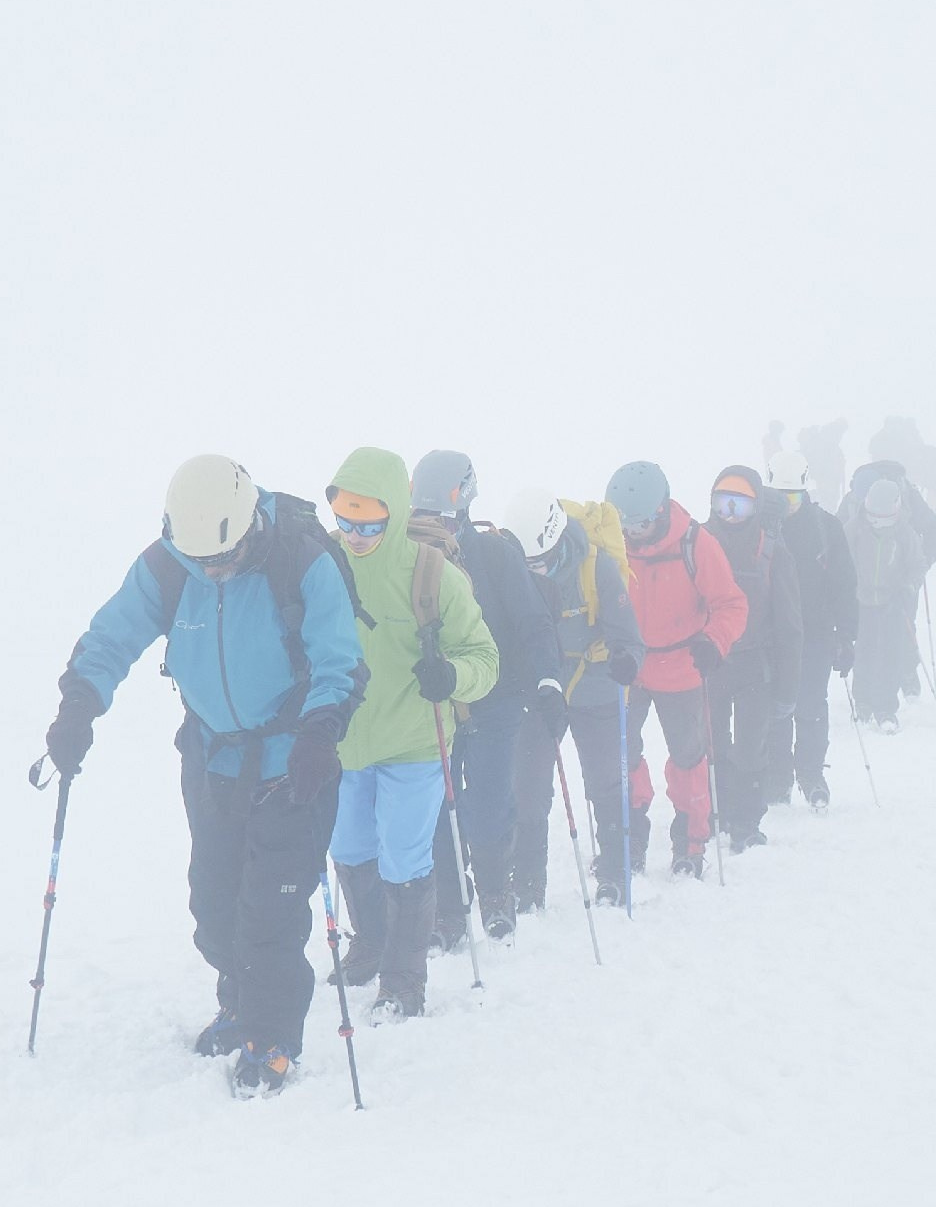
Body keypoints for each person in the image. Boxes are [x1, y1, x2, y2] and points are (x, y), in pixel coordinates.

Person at [41, 456, 365, 1096]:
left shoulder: (301, 562)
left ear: (249, 528)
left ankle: (271, 1039)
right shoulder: (170, 564)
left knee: (270, 912)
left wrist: (321, 732)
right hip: (213, 758)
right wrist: (79, 704)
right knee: (214, 904)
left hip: (293, 762)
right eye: (201, 561)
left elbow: (339, 659)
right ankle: (239, 1001)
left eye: (222, 559)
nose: (212, 571)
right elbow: (112, 636)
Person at [316, 448, 498, 1022]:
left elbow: (484, 659)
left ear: (393, 513)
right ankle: (368, 943)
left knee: (403, 855)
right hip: (344, 745)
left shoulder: (430, 573)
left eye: (367, 524)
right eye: (345, 521)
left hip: (417, 741)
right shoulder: (321, 565)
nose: (354, 534)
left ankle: (403, 979)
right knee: (347, 847)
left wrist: (452, 677)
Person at [411, 450, 557, 944]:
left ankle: (495, 893)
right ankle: (449, 910)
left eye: (443, 513)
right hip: (434, 704)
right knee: (437, 807)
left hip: (494, 703)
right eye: (425, 513)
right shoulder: (406, 559)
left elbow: (532, 623)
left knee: (488, 803)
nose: (436, 523)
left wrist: (548, 683)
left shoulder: (494, 554)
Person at [608, 460, 748, 877]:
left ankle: (690, 844)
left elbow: (731, 604)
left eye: (640, 525)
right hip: (629, 667)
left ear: (662, 510)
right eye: (625, 525)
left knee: (689, 758)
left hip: (684, 664)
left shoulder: (696, 545)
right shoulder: (611, 547)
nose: (632, 535)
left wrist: (714, 642)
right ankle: (629, 837)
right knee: (621, 754)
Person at [509, 491, 645, 907]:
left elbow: (630, 638)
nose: (534, 571)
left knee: (605, 783)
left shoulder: (598, 569)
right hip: (540, 691)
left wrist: (625, 660)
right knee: (528, 789)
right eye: (527, 563)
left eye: (539, 562)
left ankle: (614, 874)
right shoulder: (516, 570)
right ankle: (527, 887)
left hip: (596, 686)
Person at [704, 464, 803, 851]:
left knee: (750, 748)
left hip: (755, 666)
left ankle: (746, 820)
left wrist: (788, 690)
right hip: (710, 663)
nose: (729, 515)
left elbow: (790, 625)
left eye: (739, 506)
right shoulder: (697, 544)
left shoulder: (772, 551)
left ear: (756, 508)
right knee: (711, 743)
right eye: (722, 504)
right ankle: (719, 809)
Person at [764, 451, 856, 807]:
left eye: (793, 497)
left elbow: (844, 582)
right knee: (775, 707)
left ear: (804, 491)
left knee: (811, 705)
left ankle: (811, 773)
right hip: (769, 635)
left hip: (815, 634)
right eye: (780, 497)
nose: (787, 505)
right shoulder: (757, 527)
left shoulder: (825, 526)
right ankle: (776, 776)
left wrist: (847, 635)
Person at [845, 455, 936, 698]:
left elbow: (931, 527)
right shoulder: (853, 498)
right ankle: (867, 691)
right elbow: (839, 533)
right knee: (865, 640)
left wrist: (921, 565)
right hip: (863, 588)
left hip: (899, 580)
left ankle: (907, 674)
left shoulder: (906, 495)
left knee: (903, 629)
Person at [844, 477, 927, 729]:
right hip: (861, 601)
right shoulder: (854, 528)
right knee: (864, 651)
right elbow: (842, 561)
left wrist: (908, 589)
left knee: (890, 654)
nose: (878, 521)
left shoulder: (905, 532)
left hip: (892, 602)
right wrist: (845, 591)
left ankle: (886, 709)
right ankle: (863, 702)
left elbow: (917, 565)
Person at [797, 418, 851, 513]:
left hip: (825, 477)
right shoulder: (829, 440)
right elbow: (825, 462)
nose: (841, 436)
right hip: (827, 478)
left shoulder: (826, 439)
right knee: (828, 500)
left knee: (826, 499)